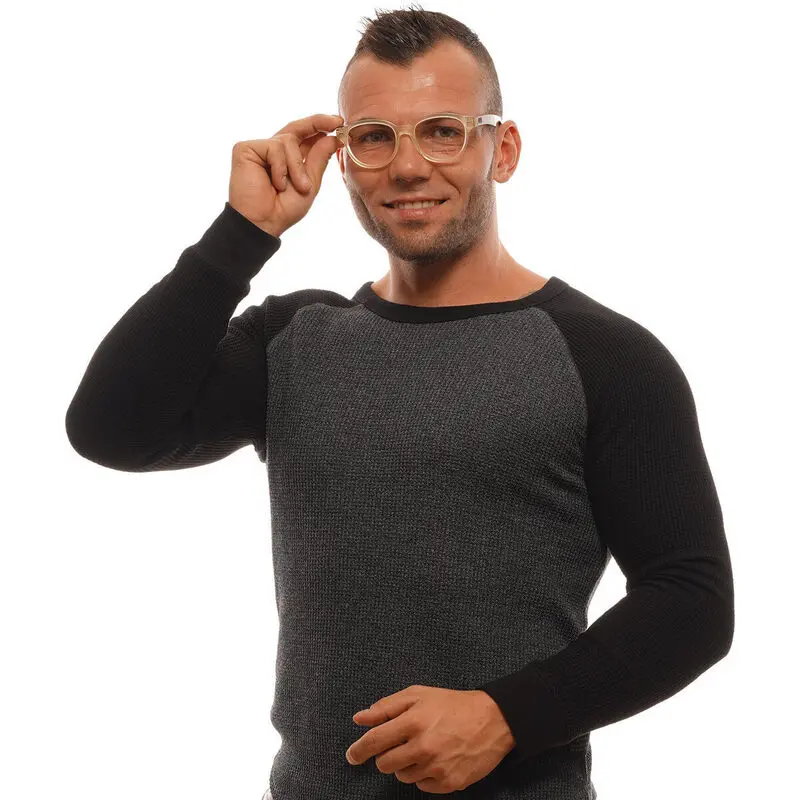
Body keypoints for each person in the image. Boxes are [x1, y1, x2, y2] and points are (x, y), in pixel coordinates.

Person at [65, 6, 735, 800]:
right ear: (343, 161)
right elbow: (110, 428)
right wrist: (242, 234)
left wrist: (507, 715)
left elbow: (691, 599)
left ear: (503, 149)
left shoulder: (605, 356)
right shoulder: (293, 343)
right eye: (374, 137)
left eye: (444, 131)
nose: (408, 166)